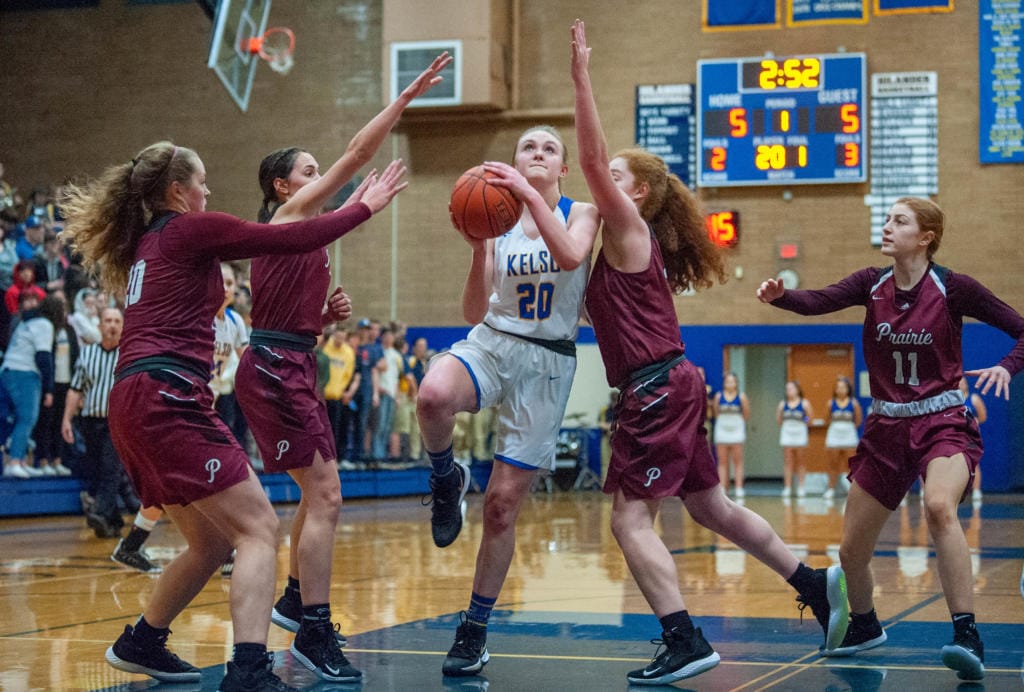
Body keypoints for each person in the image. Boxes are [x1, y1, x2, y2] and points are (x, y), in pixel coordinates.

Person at [60, 140, 407, 691]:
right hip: (166, 396)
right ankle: (248, 669)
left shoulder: (149, 242)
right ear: (177, 190)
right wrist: (364, 206)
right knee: (259, 528)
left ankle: (142, 640)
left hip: (137, 397)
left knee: (213, 542)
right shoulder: (186, 228)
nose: (208, 191)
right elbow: (288, 236)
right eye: (201, 182)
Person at [570, 20, 848, 685]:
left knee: (630, 521)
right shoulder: (612, 249)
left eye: (613, 176)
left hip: (656, 387)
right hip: (671, 381)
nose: (599, 182)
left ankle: (684, 638)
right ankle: (815, 583)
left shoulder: (628, 227)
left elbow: (587, 160)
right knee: (710, 508)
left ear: (633, 193)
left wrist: (581, 75)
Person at [232, 52, 449, 685]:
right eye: (308, 170)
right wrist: (404, 98)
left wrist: (323, 319)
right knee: (327, 494)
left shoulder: (305, 232)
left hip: (291, 356)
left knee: (317, 493)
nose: (321, 174)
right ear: (282, 186)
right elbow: (357, 156)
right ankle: (313, 629)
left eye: (318, 170)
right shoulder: (287, 215)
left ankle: (300, 601)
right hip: (273, 365)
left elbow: (284, 305)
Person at [757, 196, 1024, 681]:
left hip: (942, 420)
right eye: (886, 219)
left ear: (926, 237)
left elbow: (1022, 330)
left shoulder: (954, 287)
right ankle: (863, 625)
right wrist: (782, 298)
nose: (886, 227)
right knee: (850, 552)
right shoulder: (870, 283)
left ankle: (967, 633)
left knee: (940, 507)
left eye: (899, 221)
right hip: (885, 427)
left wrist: (1007, 367)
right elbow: (819, 300)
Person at [416, 121, 600, 677]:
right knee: (431, 395)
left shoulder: (582, 212)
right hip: (494, 342)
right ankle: (444, 477)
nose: (538, 153)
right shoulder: (495, 221)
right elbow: (474, 312)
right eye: (528, 147)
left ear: (562, 168)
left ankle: (473, 628)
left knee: (500, 506)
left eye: (549, 149)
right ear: (516, 161)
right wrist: (478, 249)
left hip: (548, 361)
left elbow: (569, 258)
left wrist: (524, 195)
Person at [0, 291, 61, 479]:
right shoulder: (44, 325)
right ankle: (15, 462)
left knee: (15, 419)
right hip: (24, 373)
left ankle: (17, 461)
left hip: (7, 370)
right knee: (27, 418)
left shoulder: (25, 322)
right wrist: (49, 389)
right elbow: (43, 357)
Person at [824, 376, 862, 499]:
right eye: (838, 387)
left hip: (849, 434)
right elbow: (826, 420)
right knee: (832, 464)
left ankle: (851, 490)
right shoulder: (830, 403)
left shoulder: (854, 403)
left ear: (848, 389)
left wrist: (847, 428)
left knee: (850, 465)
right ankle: (831, 489)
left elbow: (858, 421)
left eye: (843, 387)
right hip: (834, 434)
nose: (840, 389)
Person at [713, 372, 749, 498]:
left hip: (736, 429)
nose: (730, 384)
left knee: (737, 461)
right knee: (722, 461)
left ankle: (739, 487)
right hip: (722, 429)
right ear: (724, 383)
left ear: (736, 383)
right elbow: (716, 413)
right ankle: (723, 487)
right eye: (727, 381)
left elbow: (746, 414)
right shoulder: (718, 396)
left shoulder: (742, 397)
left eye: (732, 381)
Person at [777, 380, 812, 497]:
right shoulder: (783, 404)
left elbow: (809, 419)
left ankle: (801, 487)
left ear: (797, 390)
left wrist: (803, 421)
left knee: (801, 462)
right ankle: (787, 487)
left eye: (791, 389)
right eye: (787, 389)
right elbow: (779, 420)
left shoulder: (804, 403)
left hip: (800, 434)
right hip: (787, 433)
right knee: (788, 462)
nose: (789, 391)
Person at [958, 377, 987, 503]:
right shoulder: (950, 400)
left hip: (969, 436)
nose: (961, 384)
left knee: (974, 463)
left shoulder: (973, 399)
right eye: (959, 381)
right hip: (955, 435)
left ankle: (976, 492)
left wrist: (971, 424)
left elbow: (983, 417)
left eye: (963, 382)